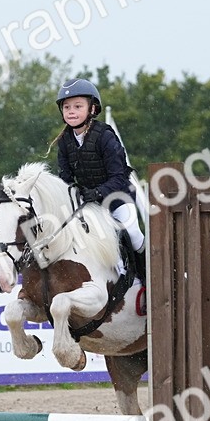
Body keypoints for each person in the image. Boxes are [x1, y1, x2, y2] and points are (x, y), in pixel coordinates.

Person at [53, 78, 145, 282]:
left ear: (92, 109)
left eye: (78, 106)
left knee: (134, 234)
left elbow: (119, 177)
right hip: (89, 203)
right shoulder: (65, 141)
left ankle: (149, 281)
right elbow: (65, 178)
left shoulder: (105, 136)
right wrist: (72, 194)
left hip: (118, 196)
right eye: (66, 107)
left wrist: (97, 192)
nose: (71, 111)